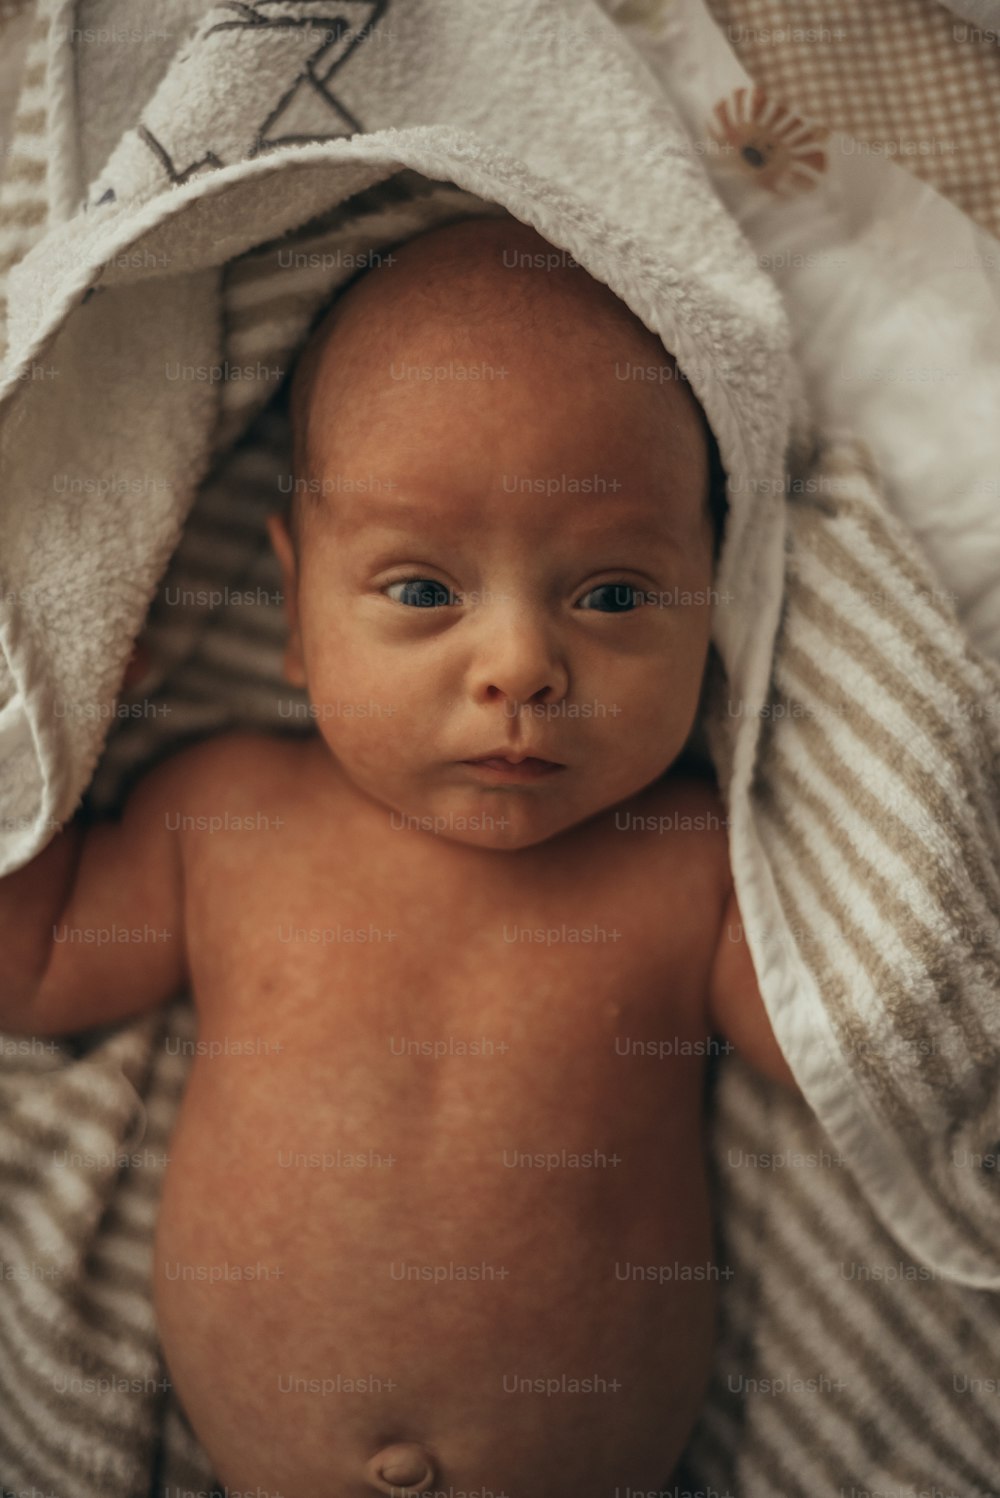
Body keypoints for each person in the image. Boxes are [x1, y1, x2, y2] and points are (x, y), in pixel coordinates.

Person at [0, 213, 794, 1497]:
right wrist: (53, 732)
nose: (522, 668)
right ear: (297, 604)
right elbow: (31, 968)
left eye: (613, 594)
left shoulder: (686, 861)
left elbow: (863, 1058)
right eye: (423, 590)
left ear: (720, 592)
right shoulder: (226, 817)